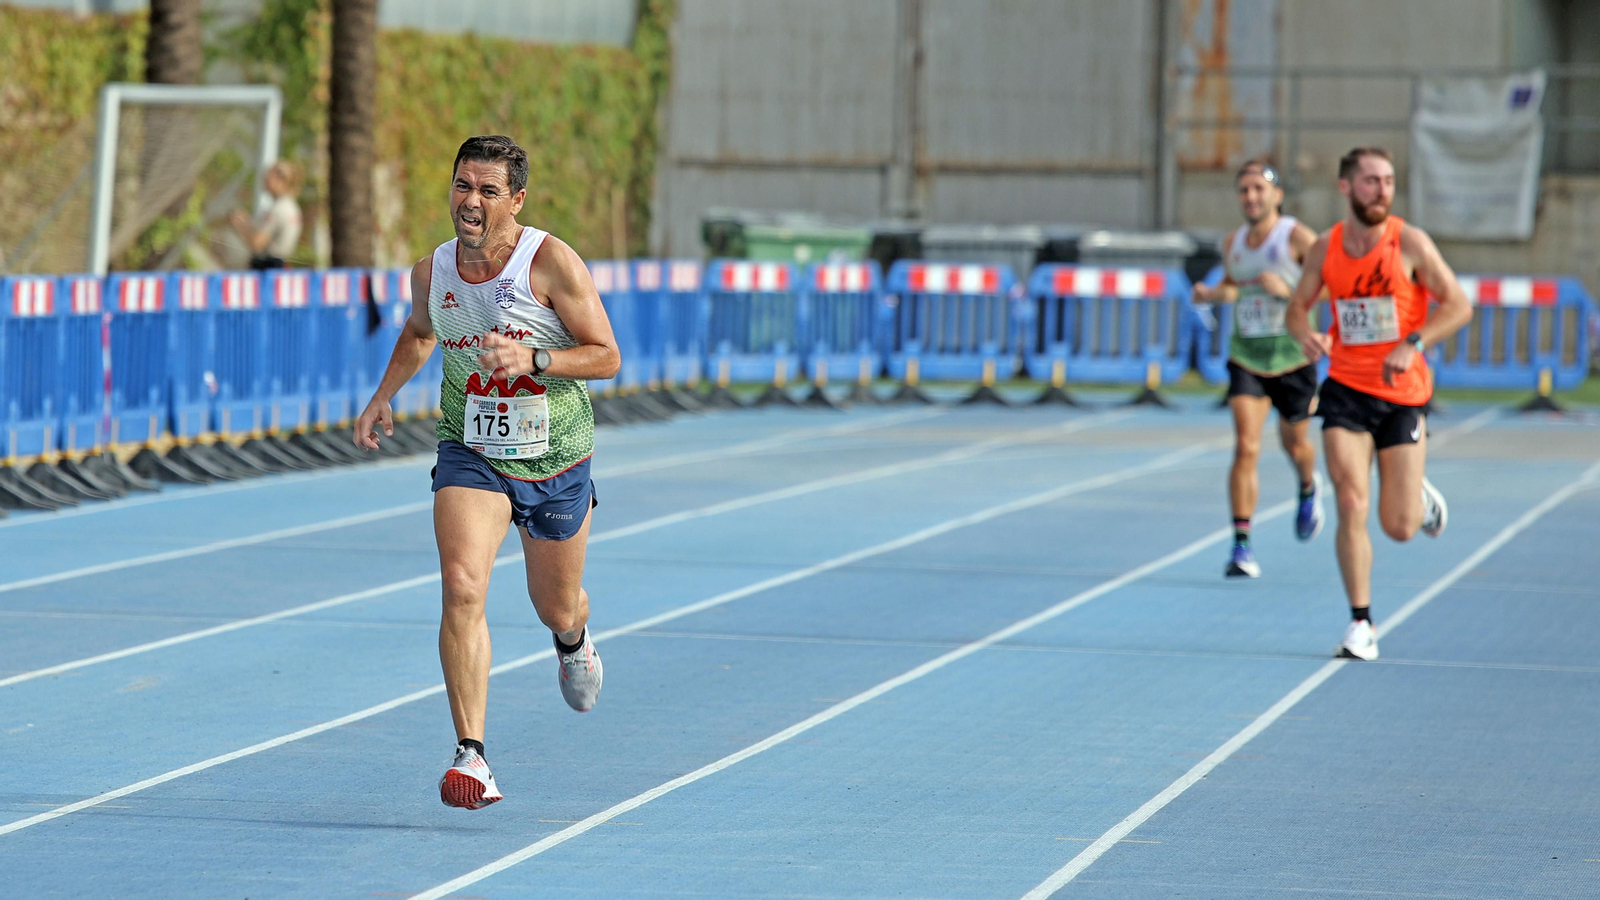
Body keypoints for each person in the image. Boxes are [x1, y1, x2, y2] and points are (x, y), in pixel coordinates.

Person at [353, 135, 620, 809]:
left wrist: (534, 361)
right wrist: (383, 394)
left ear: (517, 200)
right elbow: (420, 332)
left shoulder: (551, 263)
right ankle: (471, 754)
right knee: (463, 584)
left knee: (554, 603)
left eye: (488, 190)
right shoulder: (432, 272)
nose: (470, 202)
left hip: (554, 456)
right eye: (462, 186)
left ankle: (573, 638)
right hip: (470, 451)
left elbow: (607, 356)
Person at [1285, 147, 1473, 661]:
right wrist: (1308, 336)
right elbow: (1297, 309)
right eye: (1371, 181)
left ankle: (1418, 497)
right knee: (1349, 499)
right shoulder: (1327, 248)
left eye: (1388, 180)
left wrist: (1412, 342)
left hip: (1402, 395)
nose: (1382, 190)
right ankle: (1361, 623)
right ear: (1346, 187)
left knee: (1399, 527)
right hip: (1346, 389)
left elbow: (1459, 305)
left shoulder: (1409, 243)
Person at [1193, 160, 1325, 579]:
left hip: (1291, 357)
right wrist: (1212, 294)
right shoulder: (1233, 242)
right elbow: (1235, 285)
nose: (1250, 197)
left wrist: (1287, 291)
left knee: (1295, 443)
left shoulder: (1297, 237)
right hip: (1247, 354)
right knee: (1246, 446)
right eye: (1244, 190)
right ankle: (1242, 546)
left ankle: (1308, 485)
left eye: (1258, 189)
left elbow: (1327, 285)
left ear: (1277, 195)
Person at [229, 160, 303, 269]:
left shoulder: (279, 209)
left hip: (268, 267)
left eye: (269, 176)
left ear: (281, 180)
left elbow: (257, 243)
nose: (264, 179)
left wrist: (241, 224)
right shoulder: (291, 207)